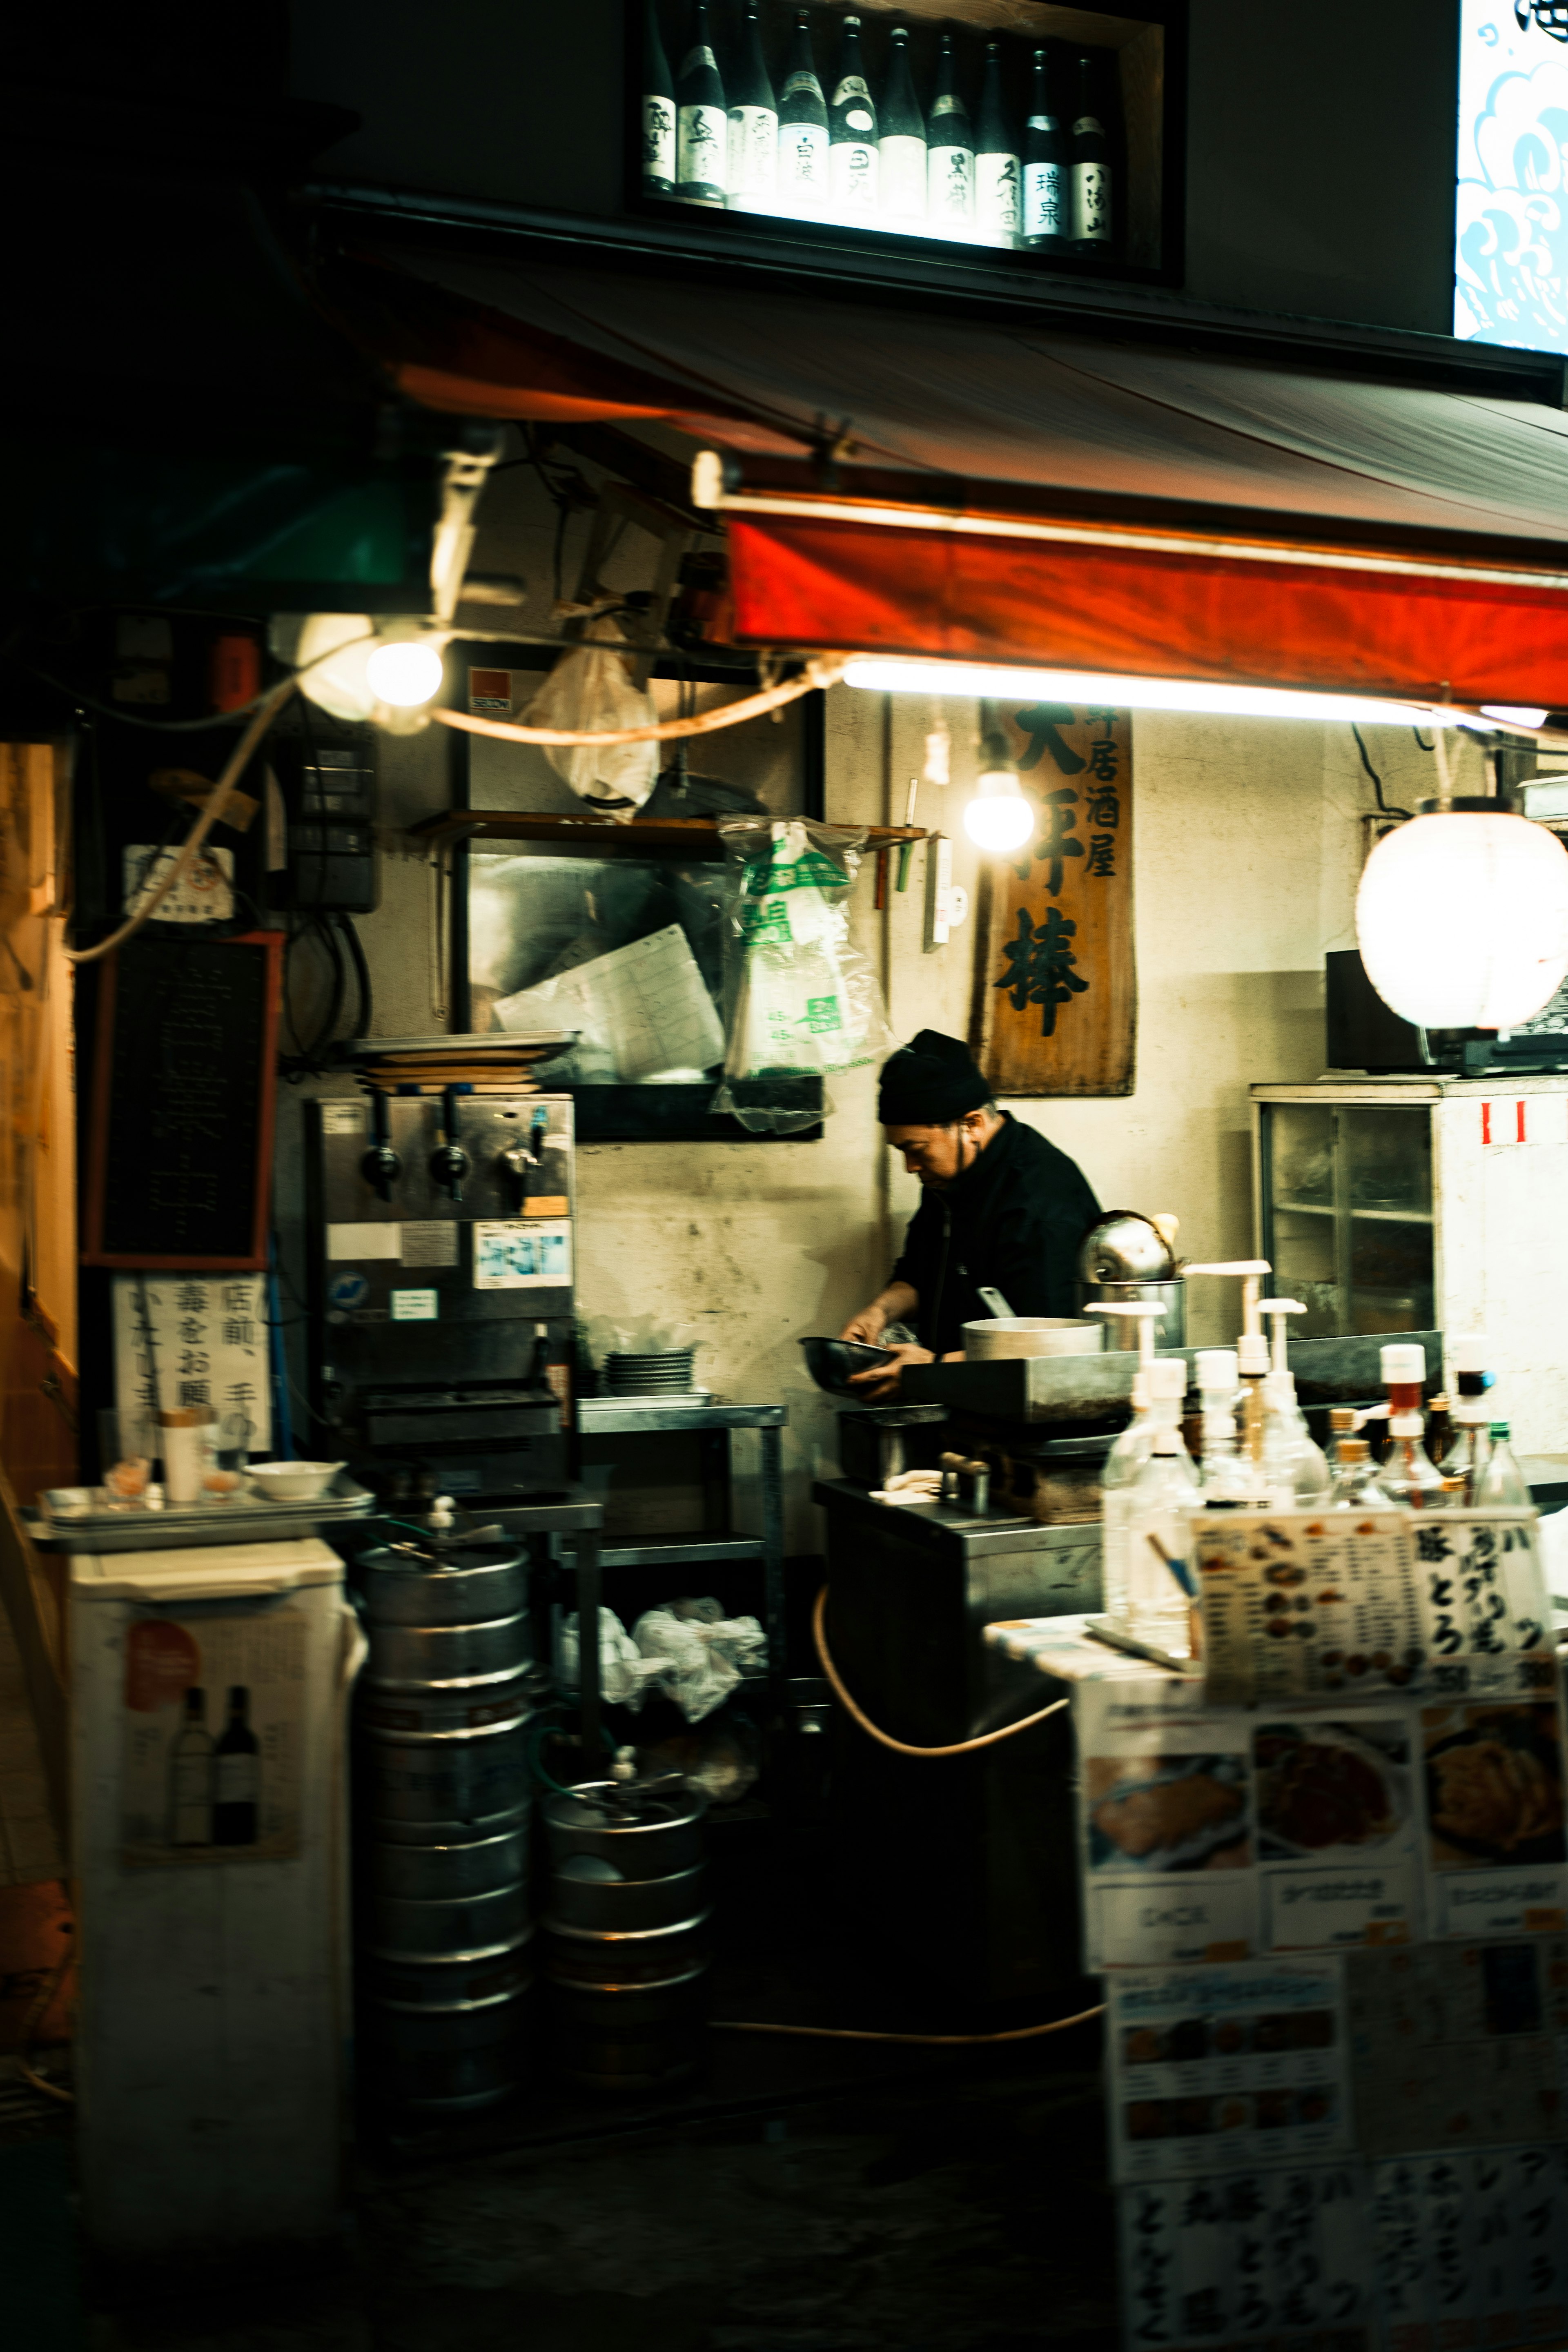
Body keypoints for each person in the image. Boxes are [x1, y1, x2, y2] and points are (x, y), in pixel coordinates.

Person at [838, 1029, 1101, 1397]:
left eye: (917, 1150)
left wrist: (932, 1369)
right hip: (965, 1398)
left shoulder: (1039, 1203)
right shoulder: (949, 1178)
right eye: (901, 1152)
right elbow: (920, 1271)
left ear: (972, 1125)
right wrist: (879, 1313)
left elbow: (1049, 1345)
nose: (910, 1167)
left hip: (1031, 1409)